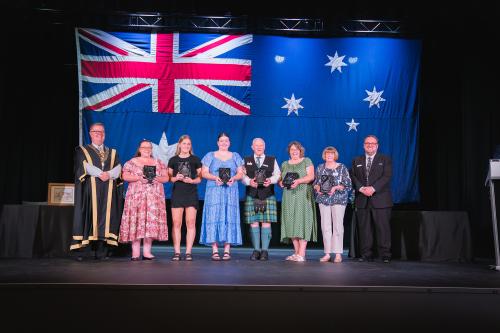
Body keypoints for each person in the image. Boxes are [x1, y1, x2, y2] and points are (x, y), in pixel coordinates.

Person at [70, 122, 123, 260]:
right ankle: (84, 251)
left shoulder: (113, 152)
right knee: (89, 216)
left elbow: (118, 168)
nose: (99, 134)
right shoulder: (82, 150)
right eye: (96, 132)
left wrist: (109, 174)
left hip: (108, 191)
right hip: (90, 191)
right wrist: (101, 174)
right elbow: (84, 166)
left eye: (101, 132)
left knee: (105, 219)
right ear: (90, 134)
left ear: (105, 135)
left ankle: (102, 251)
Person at [119, 139, 169, 260]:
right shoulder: (131, 162)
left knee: (149, 224)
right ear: (139, 149)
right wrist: (138, 178)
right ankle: (135, 252)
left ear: (152, 150)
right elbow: (124, 176)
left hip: (154, 199)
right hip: (136, 198)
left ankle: (147, 252)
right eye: (144, 147)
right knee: (137, 222)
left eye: (149, 148)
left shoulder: (158, 162)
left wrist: (157, 178)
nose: (146, 149)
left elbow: (166, 178)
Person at [200, 133, 244, 261]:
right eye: (221, 141)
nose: (224, 143)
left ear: (229, 142)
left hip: (230, 190)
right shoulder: (210, 155)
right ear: (217, 142)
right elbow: (204, 173)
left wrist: (234, 178)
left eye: (226, 141)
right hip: (214, 189)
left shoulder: (236, 156)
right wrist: (215, 177)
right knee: (213, 216)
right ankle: (214, 249)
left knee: (229, 216)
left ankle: (226, 249)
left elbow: (240, 173)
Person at [350, 135, 393, 263]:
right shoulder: (356, 160)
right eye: (367, 143)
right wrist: (362, 188)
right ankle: (366, 254)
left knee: (383, 229)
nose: (370, 145)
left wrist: (373, 188)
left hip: (381, 200)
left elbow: (387, 176)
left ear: (377, 146)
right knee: (365, 229)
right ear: (364, 145)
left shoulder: (385, 159)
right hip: (362, 200)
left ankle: (385, 254)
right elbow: (352, 176)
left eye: (373, 143)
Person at [242, 138, 281, 261]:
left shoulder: (272, 160)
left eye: (261, 145)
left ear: (264, 146)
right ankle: (256, 250)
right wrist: (249, 182)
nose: (259, 147)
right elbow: (242, 176)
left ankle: (265, 251)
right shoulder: (246, 160)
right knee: (253, 222)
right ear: (252, 147)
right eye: (256, 145)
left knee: (266, 222)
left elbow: (278, 175)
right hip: (251, 194)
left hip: (268, 194)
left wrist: (271, 180)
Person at [279, 141, 317, 262]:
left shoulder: (307, 161)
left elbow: (311, 176)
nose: (294, 151)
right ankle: (296, 253)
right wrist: (281, 183)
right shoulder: (285, 164)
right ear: (289, 151)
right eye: (292, 149)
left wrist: (299, 181)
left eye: (297, 149)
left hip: (303, 194)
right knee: (290, 222)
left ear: (301, 151)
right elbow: (280, 179)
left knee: (302, 221)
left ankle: (302, 253)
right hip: (288, 196)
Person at [313, 147, 352, 263]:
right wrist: (318, 188)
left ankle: (338, 254)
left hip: (338, 199)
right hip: (323, 199)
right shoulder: (320, 167)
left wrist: (335, 188)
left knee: (338, 226)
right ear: (324, 155)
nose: (329, 156)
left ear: (335, 155)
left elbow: (348, 184)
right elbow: (315, 183)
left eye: (331, 154)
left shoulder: (342, 167)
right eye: (327, 154)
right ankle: (327, 253)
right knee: (325, 227)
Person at [168, 135, 202, 261]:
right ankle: (177, 252)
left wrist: (192, 181)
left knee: (191, 223)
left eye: (188, 144)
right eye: (184, 143)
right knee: (177, 223)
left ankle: (188, 252)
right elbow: (169, 178)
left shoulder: (195, 159)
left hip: (191, 193)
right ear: (179, 145)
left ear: (190, 146)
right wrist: (176, 178)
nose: (186, 146)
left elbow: (200, 178)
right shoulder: (173, 160)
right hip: (177, 194)